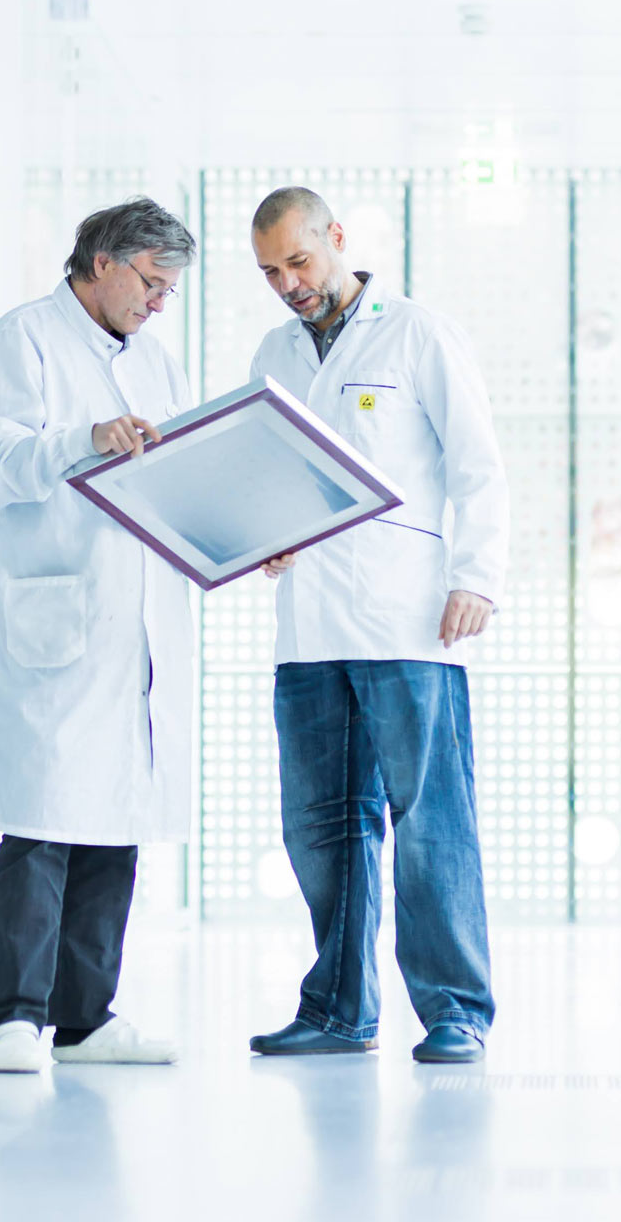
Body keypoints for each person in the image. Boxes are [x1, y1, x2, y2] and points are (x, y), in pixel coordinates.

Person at [246, 187, 508, 1064]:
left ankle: (455, 1011)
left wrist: (477, 578)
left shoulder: (417, 334)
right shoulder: (274, 354)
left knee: (430, 824)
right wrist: (264, 536)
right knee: (321, 827)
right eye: (271, 272)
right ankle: (338, 1010)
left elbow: (478, 466)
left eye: (299, 261)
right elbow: (267, 472)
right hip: (310, 626)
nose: (289, 284)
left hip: (407, 618)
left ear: (337, 238)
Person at [0, 197, 197, 1071]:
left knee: (115, 817)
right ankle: (15, 1019)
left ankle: (86, 1023)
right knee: (42, 818)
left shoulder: (157, 361)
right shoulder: (23, 341)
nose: (159, 302)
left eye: (169, 289)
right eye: (152, 282)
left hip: (136, 622)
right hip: (52, 616)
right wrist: (85, 439)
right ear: (102, 263)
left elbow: (177, 477)